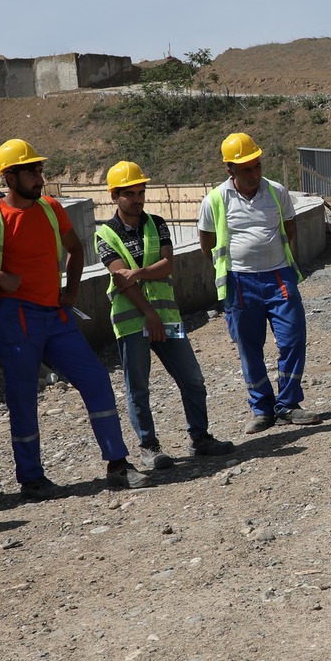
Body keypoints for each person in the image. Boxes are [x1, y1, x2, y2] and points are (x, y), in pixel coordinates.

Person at [0, 139, 148, 495]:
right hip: (17, 318)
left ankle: (117, 464)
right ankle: (31, 479)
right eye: (31, 172)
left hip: (55, 314)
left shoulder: (51, 208)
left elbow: (75, 249)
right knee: (22, 398)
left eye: (39, 171)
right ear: (9, 177)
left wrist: (72, 291)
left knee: (96, 380)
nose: (40, 178)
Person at [95, 159, 235, 465]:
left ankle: (200, 438)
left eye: (140, 192)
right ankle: (149, 446)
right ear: (114, 196)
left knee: (192, 379)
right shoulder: (105, 234)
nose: (137, 199)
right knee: (138, 387)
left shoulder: (156, 223)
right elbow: (121, 279)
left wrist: (139, 272)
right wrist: (148, 312)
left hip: (168, 318)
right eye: (129, 193)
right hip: (133, 322)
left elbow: (167, 265)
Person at [200, 133, 319, 433]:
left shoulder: (277, 192)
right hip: (239, 281)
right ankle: (262, 408)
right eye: (246, 169)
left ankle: (288, 404)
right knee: (249, 347)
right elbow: (206, 243)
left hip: (278, 276)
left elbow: (288, 227)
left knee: (292, 338)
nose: (254, 174)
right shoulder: (214, 200)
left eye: (257, 166)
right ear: (230, 169)